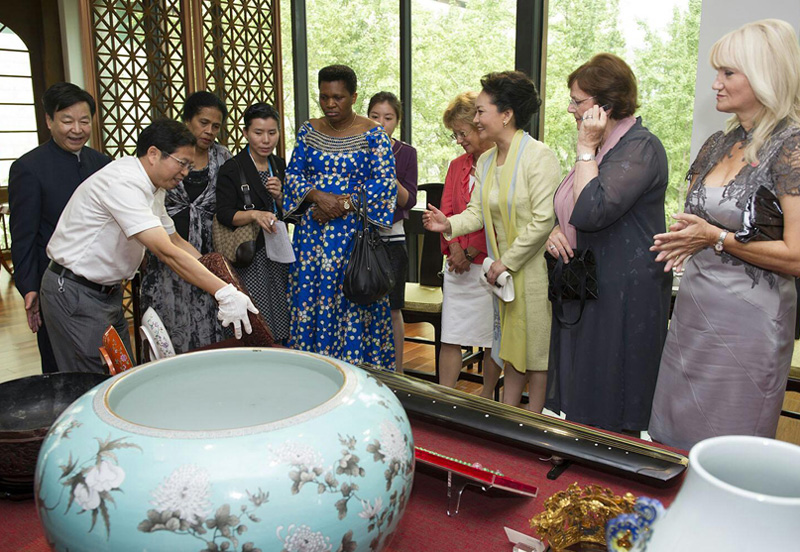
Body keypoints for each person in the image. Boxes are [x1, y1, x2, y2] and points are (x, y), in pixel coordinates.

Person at [649, 19, 800, 450]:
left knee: (729, 449)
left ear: (764, 75)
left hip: (749, 323)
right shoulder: (718, 142)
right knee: (674, 438)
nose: (715, 84)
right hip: (695, 311)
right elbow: (696, 220)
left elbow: (796, 255)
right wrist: (684, 238)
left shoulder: (792, 146)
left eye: (728, 73)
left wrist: (715, 238)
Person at [40, 119, 257, 373]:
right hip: (76, 292)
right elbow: (166, 251)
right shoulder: (124, 183)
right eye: (182, 163)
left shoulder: (154, 187)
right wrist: (223, 292)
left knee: (120, 375)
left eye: (189, 165)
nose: (186, 172)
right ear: (154, 154)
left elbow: (175, 240)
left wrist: (220, 276)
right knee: (93, 380)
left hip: (106, 293)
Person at [544, 53, 672, 434]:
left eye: (577, 100)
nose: (570, 108)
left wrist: (585, 146)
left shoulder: (640, 147)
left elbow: (593, 209)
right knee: (585, 388)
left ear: (605, 104)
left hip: (624, 291)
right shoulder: (607, 147)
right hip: (591, 282)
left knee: (611, 391)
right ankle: (584, 455)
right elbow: (569, 205)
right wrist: (556, 229)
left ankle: (610, 469)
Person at [424, 71, 561, 411]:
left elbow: (544, 220)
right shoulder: (486, 161)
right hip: (503, 273)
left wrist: (506, 262)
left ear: (506, 114)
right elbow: (476, 212)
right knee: (509, 349)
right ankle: (507, 421)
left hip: (531, 272)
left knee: (535, 354)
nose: (475, 119)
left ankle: (532, 425)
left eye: (481, 111)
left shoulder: (539, 156)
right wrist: (448, 224)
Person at [284, 64, 397, 369]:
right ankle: (313, 375)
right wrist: (318, 197)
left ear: (354, 97)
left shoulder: (373, 134)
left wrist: (342, 205)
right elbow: (292, 175)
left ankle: (355, 376)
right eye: (324, 97)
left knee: (350, 300)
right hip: (312, 236)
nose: (330, 104)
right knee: (312, 298)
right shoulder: (309, 130)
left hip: (352, 239)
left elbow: (384, 183)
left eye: (338, 97)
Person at [9, 82, 111, 373]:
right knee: (60, 366)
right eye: (67, 121)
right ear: (49, 121)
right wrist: (29, 288)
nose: (76, 129)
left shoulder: (102, 164)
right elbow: (24, 235)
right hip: (54, 283)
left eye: (83, 121)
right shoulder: (29, 168)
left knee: (102, 361)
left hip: (99, 283)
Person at [140, 91, 232, 352]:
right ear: (187, 120)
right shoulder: (164, 156)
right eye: (203, 122)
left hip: (207, 247)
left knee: (210, 316)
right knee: (169, 321)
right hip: (165, 246)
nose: (209, 131)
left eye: (216, 126)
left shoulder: (223, 157)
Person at [437, 91, 501, 398]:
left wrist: (474, 250)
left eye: (462, 133)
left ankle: (487, 398)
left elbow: (497, 217)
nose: (460, 140)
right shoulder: (456, 166)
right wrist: (456, 250)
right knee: (450, 334)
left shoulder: (500, 162)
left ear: (478, 126)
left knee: (491, 338)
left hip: (490, 266)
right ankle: (444, 396)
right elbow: (447, 211)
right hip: (457, 264)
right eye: (456, 135)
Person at [216, 103, 291, 342]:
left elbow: (291, 213)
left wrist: (280, 196)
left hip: (276, 250)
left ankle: (278, 353)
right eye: (258, 133)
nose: (266, 139)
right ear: (246, 133)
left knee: (280, 310)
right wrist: (255, 215)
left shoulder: (279, 164)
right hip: (250, 252)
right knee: (256, 313)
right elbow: (224, 214)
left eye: (272, 132)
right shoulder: (233, 167)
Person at [367, 91, 418, 372]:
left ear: (396, 121)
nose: (380, 123)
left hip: (392, 239)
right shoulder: (356, 150)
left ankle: (398, 373)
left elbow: (409, 201)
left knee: (393, 308)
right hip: (359, 239)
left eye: (387, 118)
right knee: (360, 306)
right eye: (374, 117)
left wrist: (388, 173)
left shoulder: (406, 153)